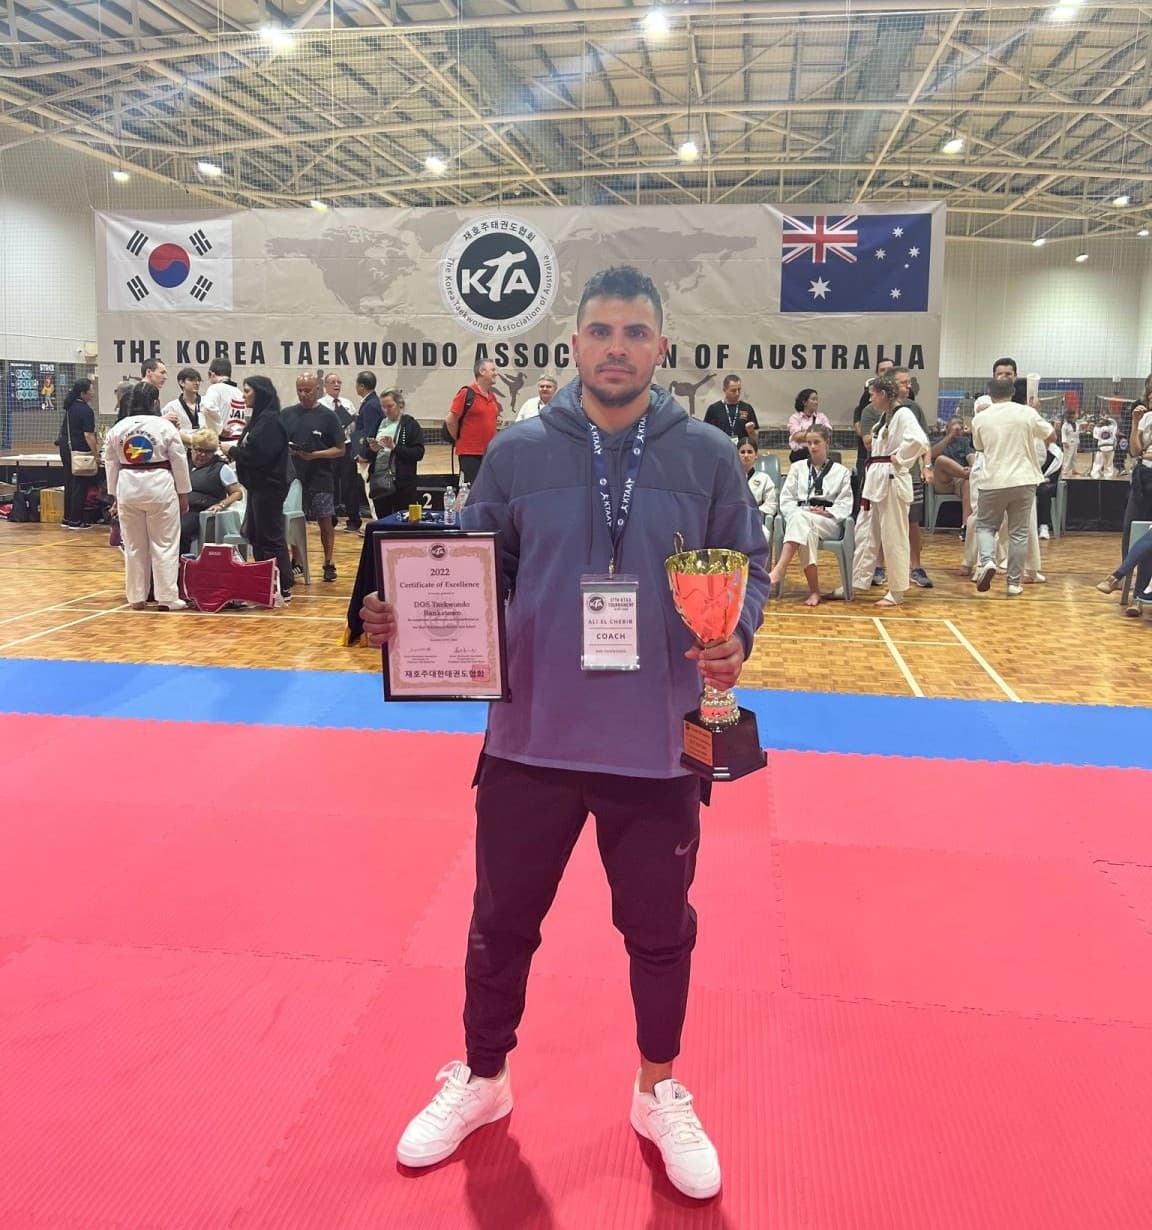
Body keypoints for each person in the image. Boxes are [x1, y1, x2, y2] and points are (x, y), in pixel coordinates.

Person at [360, 265, 769, 1201]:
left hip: (657, 742)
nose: (616, 346)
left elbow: (748, 561)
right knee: (499, 926)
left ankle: (658, 1089)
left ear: (660, 347)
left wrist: (735, 636)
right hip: (529, 739)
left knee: (660, 933)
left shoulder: (707, 452)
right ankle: (483, 1077)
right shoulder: (514, 451)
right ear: (574, 345)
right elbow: (469, 571)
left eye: (635, 331)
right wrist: (407, 623)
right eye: (600, 331)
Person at [102, 381, 191, 611]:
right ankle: (167, 598)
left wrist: (114, 494)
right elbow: (179, 462)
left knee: (134, 545)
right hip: (159, 486)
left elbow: (110, 462)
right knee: (165, 544)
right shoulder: (164, 427)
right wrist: (183, 494)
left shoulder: (119, 428)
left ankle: (136, 597)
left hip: (127, 487)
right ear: (155, 403)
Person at [971, 376, 1056, 597]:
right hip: (1023, 480)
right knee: (1019, 533)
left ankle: (988, 561)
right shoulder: (1026, 413)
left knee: (985, 527)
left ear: (990, 393)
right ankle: (1013, 583)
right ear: (1012, 392)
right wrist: (1036, 413)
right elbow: (1052, 435)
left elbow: (978, 447)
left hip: (992, 481)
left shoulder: (980, 418)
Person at [851, 374, 929, 607]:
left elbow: (919, 441)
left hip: (892, 480)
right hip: (877, 479)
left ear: (883, 395)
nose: (871, 398)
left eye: (873, 394)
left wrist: (900, 458)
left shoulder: (903, 413)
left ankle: (896, 591)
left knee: (894, 535)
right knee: (866, 533)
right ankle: (857, 583)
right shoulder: (885, 418)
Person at [770, 425, 853, 606]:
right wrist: (797, 514)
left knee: (801, 520)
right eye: (809, 443)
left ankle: (780, 568)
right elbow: (786, 499)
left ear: (827, 443)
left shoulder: (841, 472)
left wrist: (828, 512)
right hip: (802, 517)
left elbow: (846, 503)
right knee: (804, 528)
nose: (813, 447)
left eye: (817, 442)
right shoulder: (797, 468)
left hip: (828, 521)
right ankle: (814, 591)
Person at [230, 376, 294, 605]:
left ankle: (283, 585)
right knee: (256, 536)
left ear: (260, 392)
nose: (243, 395)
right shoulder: (258, 419)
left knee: (271, 537)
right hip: (257, 487)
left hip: (269, 487)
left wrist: (233, 452)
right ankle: (262, 583)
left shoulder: (271, 422)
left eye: (247, 391)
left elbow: (260, 456)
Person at [281, 371, 345, 583]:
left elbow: (340, 449)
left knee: (325, 520)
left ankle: (328, 561)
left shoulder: (328, 416)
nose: (303, 394)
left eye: (307, 390)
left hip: (321, 475)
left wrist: (315, 455)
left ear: (317, 389)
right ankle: (296, 560)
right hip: (294, 477)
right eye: (299, 390)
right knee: (293, 520)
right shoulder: (288, 414)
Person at [179, 429, 243, 554]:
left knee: (181, 530)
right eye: (199, 450)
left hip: (199, 511)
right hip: (178, 507)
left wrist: (221, 505)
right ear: (191, 448)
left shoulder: (221, 468)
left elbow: (237, 493)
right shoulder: (182, 463)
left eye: (208, 452)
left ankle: (182, 564)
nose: (202, 455)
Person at [367, 387, 426, 519]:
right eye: (383, 407)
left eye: (390, 406)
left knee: (403, 521)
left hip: (402, 483)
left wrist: (395, 447)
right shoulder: (380, 423)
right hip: (380, 482)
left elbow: (418, 453)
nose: (386, 410)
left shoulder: (410, 424)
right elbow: (370, 453)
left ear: (399, 405)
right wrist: (372, 449)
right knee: (383, 520)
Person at [446, 358, 501, 484]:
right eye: (492, 370)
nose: (495, 373)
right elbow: (450, 420)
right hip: (470, 455)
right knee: (470, 493)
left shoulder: (492, 397)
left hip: (489, 454)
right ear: (482, 371)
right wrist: (460, 439)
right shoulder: (466, 393)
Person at [56, 377, 100, 529]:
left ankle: (67, 518)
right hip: (79, 450)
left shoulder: (70, 407)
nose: (93, 393)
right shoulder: (86, 411)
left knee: (69, 482)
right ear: (83, 393)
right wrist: (96, 454)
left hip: (65, 448)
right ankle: (76, 520)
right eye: (91, 390)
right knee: (80, 484)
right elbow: (89, 435)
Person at [319, 371, 359, 530]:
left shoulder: (347, 403)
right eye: (333, 382)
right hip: (329, 448)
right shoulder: (321, 404)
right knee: (330, 484)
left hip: (347, 447)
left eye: (339, 382)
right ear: (325, 386)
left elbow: (355, 428)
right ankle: (332, 518)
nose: (336, 385)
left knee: (350, 484)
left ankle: (354, 519)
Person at [929, 416, 975, 526]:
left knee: (968, 482)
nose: (958, 428)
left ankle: (966, 526)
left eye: (960, 425)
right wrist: (950, 436)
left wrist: (973, 465)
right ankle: (969, 473)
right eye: (955, 425)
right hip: (943, 480)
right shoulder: (937, 440)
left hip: (960, 480)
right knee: (941, 460)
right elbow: (932, 454)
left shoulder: (964, 441)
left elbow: (970, 455)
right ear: (947, 427)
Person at [736, 438, 776, 536]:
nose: (746, 455)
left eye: (750, 452)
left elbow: (772, 504)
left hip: (755, 520)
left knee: (764, 535)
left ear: (756, 455)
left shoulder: (764, 478)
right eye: (742, 452)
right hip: (734, 520)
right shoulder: (729, 477)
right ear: (736, 455)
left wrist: (754, 512)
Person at [703, 374, 759, 444]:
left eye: (739, 389)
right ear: (724, 390)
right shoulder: (714, 409)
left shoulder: (747, 408)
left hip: (741, 452)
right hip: (721, 450)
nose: (737, 393)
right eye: (733, 390)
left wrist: (751, 431)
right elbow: (706, 434)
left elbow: (755, 440)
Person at [200, 357, 246, 437]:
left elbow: (207, 407)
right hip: (239, 442)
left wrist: (219, 429)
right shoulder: (239, 393)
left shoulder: (215, 388)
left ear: (211, 374)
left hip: (222, 443)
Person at [786, 388, 831, 461]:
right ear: (804, 402)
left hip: (819, 454)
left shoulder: (821, 417)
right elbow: (797, 436)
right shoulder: (795, 418)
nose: (816, 402)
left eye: (817, 399)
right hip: (799, 455)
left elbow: (827, 433)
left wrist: (804, 433)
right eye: (813, 399)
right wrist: (817, 434)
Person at [161, 367, 203, 444]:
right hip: (182, 447)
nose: (197, 383)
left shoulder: (207, 403)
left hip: (205, 448)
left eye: (198, 380)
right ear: (182, 383)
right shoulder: (171, 407)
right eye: (192, 380)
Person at [1060, 409, 1081, 478]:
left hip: (1075, 442)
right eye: (1075, 414)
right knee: (1068, 457)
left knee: (1074, 457)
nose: (1077, 415)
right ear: (1072, 415)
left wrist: (1078, 442)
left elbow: (1077, 434)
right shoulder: (1065, 425)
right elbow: (1063, 434)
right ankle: (1065, 471)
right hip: (1068, 443)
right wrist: (1065, 442)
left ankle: (1074, 470)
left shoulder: (1077, 424)